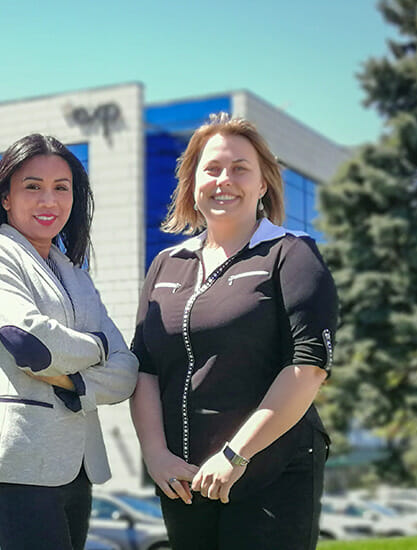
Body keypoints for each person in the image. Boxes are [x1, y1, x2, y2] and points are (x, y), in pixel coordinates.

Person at [130, 114, 337, 550]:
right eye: (212, 169)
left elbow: (308, 368)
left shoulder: (291, 253)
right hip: (184, 481)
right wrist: (155, 454)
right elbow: (144, 366)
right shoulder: (166, 264)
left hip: (272, 474)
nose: (225, 179)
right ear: (192, 183)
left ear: (263, 184)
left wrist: (235, 454)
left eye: (240, 168)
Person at [0, 133, 139, 550]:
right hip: (19, 457)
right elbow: (30, 344)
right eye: (32, 186)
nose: (48, 201)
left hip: (78, 462)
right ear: (5, 196)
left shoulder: (74, 273)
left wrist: (78, 383)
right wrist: (98, 346)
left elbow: (127, 370)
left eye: (61, 188)